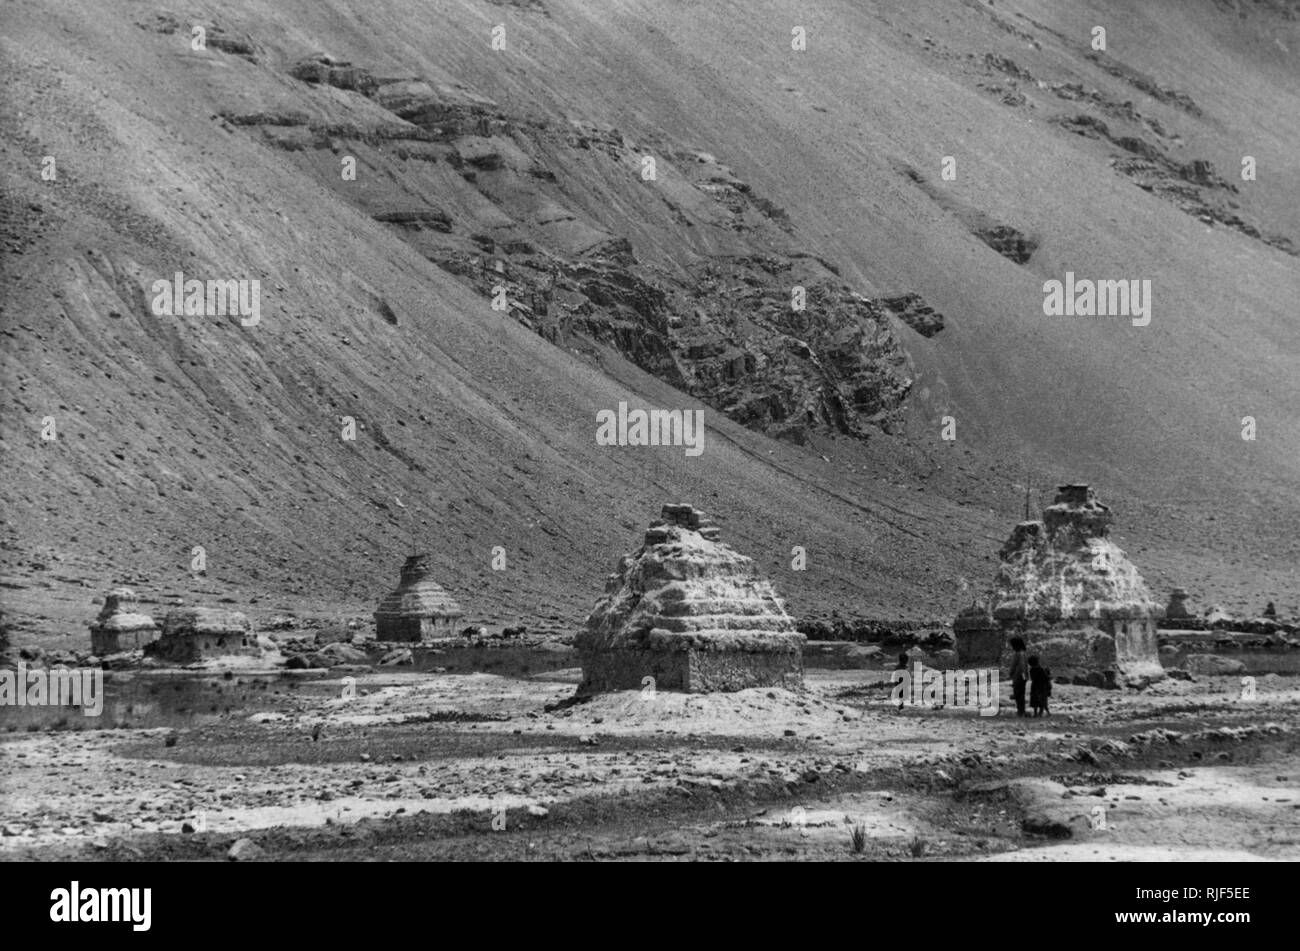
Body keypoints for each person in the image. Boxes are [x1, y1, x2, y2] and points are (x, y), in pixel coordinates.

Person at [1008, 636, 1028, 717]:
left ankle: (1021, 711)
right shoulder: (1022, 653)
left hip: (1018, 677)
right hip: (1020, 677)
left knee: (1018, 695)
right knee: (1020, 695)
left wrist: (1021, 678)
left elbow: (1021, 667)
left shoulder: (1019, 654)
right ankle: (1021, 711)